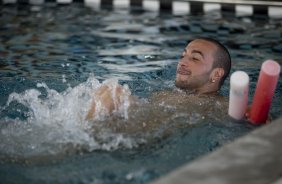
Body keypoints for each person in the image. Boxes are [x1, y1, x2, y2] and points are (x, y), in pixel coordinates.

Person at [86, 37, 231, 121]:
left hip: (143, 139)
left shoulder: (220, 105)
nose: (182, 62)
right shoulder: (168, 93)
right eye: (183, 55)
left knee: (113, 94)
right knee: (107, 91)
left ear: (216, 74)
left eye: (195, 58)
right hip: (129, 130)